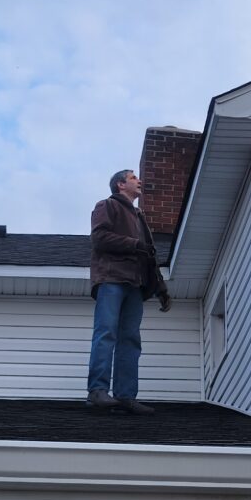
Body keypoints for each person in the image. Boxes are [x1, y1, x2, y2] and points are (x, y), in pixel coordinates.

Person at [86, 169, 172, 414]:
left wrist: (161, 289)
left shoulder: (139, 217)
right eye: (134, 177)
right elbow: (100, 239)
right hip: (111, 279)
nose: (140, 181)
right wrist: (134, 245)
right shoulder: (107, 205)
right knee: (106, 333)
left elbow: (149, 257)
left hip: (136, 285)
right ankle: (97, 391)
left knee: (131, 340)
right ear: (121, 184)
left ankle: (125, 396)